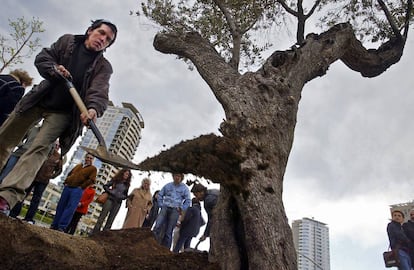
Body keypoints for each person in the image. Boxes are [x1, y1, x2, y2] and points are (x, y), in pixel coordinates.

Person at [0, 19, 117, 215]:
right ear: (90, 31)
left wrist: (93, 109)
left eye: (108, 39)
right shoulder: (67, 42)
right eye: (101, 33)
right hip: (39, 100)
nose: (103, 39)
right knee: (4, 139)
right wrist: (54, 69)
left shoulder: (103, 67)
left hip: (63, 113)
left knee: (38, 149)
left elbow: (99, 91)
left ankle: (6, 198)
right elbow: (43, 58)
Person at [9, 140, 63, 223]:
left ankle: (29, 218)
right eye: (55, 145)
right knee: (23, 194)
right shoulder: (44, 151)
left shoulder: (59, 157)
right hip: (33, 176)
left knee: (36, 199)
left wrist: (51, 176)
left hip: (43, 181)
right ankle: (13, 213)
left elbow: (59, 170)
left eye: (58, 146)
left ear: (59, 148)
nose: (56, 147)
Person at [51, 153, 97, 231]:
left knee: (70, 208)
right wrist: (66, 182)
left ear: (93, 160)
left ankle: (61, 227)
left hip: (77, 189)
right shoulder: (78, 166)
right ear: (85, 157)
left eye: (91, 158)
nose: (88, 159)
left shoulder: (93, 169)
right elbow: (70, 174)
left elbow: (92, 180)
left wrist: (81, 187)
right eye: (87, 157)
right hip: (68, 187)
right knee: (61, 206)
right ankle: (54, 225)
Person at [153, 172, 191, 249]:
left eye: (179, 176)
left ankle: (165, 249)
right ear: (173, 176)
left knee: (169, 231)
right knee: (157, 226)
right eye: (176, 175)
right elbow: (160, 195)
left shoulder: (184, 188)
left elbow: (188, 200)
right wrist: (161, 204)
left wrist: (181, 208)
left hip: (175, 209)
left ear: (181, 178)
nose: (177, 177)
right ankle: (153, 244)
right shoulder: (168, 186)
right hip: (165, 207)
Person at [91, 169, 131, 234]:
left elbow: (125, 195)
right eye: (126, 173)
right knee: (102, 217)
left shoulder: (127, 185)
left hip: (118, 202)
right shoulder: (115, 180)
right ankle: (94, 233)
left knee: (110, 220)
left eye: (128, 174)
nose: (126, 175)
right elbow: (105, 186)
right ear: (122, 173)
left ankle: (103, 236)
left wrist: (123, 197)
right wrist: (111, 192)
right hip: (110, 199)